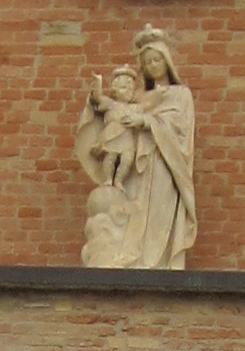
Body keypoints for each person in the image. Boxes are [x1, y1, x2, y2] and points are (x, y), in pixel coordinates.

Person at [74, 29, 198, 268]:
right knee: (132, 212)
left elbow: (181, 129)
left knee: (158, 216)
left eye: (157, 59)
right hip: (136, 165)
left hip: (164, 162)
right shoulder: (137, 97)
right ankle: (132, 256)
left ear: (166, 61)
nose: (153, 65)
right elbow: (112, 110)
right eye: (148, 62)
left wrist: (147, 122)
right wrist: (95, 99)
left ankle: (157, 261)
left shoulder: (181, 95)